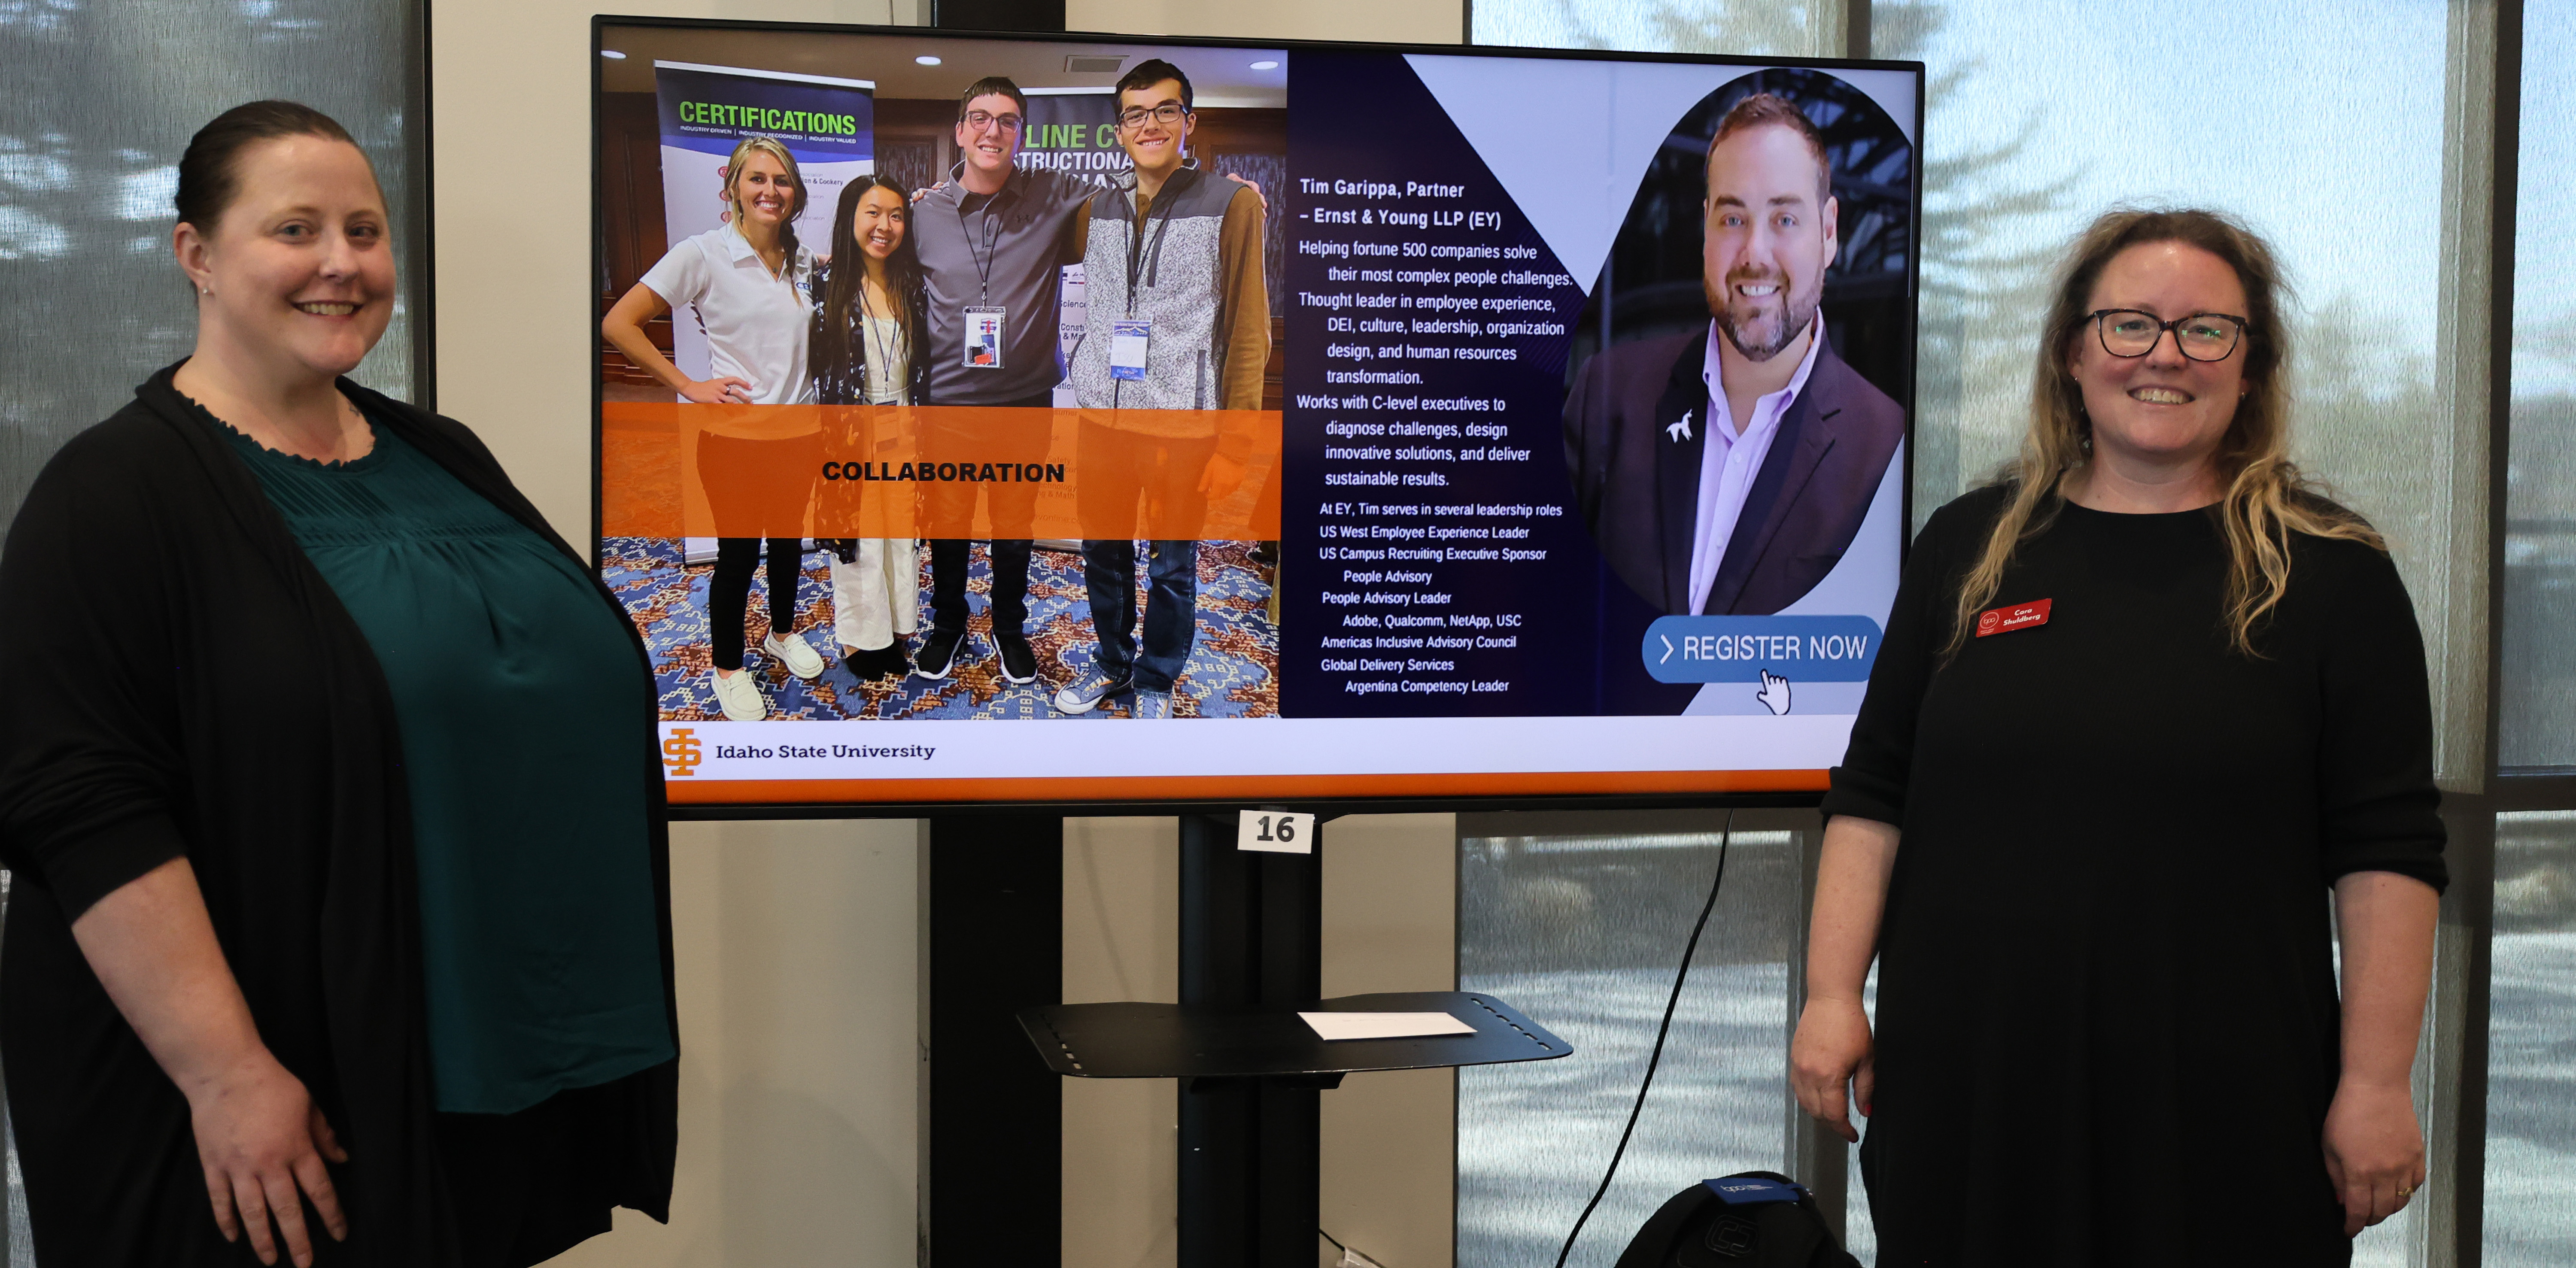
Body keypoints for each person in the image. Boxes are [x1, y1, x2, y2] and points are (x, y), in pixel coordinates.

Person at [0, 101, 677, 1268]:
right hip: (262, 1107)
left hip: (481, 1065)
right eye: (295, 228)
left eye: (365, 231)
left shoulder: (440, 452)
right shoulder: (111, 493)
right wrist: (229, 1075)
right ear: (196, 256)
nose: (341, 263)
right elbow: (81, 809)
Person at [1789, 207, 2445, 1265]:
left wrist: (2374, 1086)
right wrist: (1830, 998)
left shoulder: (2333, 576)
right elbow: (1874, 795)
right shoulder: (1968, 548)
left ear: (2254, 363)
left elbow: (2389, 851)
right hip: (1971, 1086)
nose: (2165, 357)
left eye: (2206, 331)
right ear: (2071, 351)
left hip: (2225, 1105)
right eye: (2129, 324)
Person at [1561, 91, 1905, 616]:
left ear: (1829, 232)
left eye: (1785, 220)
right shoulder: (1606, 398)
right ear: (1706, 228)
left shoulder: (1886, 447)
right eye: (1733, 219)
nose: (1755, 255)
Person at [1052, 59, 1266, 719]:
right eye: (1136, 114)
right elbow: (1014, 233)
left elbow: (1247, 327)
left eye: (1164, 110)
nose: (1150, 124)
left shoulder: (1230, 203)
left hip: (1183, 423)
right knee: (1104, 555)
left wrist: (1237, 444)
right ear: (1119, 130)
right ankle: (1113, 664)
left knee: (1173, 568)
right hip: (1104, 419)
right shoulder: (1096, 209)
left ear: (1188, 122)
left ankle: (1157, 678)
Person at [602, 135, 829, 721]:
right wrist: (688, 384)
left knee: (788, 548)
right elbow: (619, 322)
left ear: (795, 192)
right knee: (737, 558)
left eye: (781, 181)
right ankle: (727, 665)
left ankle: (781, 633)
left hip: (800, 435)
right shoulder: (703, 253)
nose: (770, 191)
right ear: (732, 187)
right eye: (757, 179)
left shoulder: (803, 257)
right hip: (734, 442)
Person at [907, 76, 1097, 686]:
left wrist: (1225, 195)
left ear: (1021, 133)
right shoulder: (923, 212)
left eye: (1008, 120)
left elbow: (1136, 196)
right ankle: (948, 624)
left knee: (1016, 524)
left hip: (1024, 403)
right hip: (947, 405)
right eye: (981, 118)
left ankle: (1009, 628)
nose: (994, 130)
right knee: (949, 522)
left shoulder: (1057, 194)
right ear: (961, 130)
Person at [812, 174, 930, 682]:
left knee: (902, 531)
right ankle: (862, 637)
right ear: (849, 219)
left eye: (897, 215)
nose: (885, 226)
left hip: (906, 422)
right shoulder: (823, 282)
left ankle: (901, 628)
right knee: (860, 537)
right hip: (851, 430)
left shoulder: (913, 282)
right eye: (873, 213)